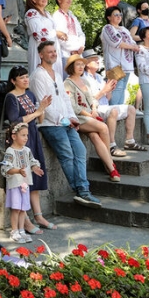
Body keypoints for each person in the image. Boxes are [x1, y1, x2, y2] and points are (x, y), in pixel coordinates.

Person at [30, 41, 102, 208]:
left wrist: (71, 117)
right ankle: (81, 192)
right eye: (49, 52)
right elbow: (44, 105)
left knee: (80, 150)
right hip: (50, 124)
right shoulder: (38, 75)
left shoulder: (56, 73)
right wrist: (64, 119)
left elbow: (64, 99)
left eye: (55, 51)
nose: (53, 54)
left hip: (65, 121)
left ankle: (84, 188)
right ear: (41, 55)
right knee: (67, 154)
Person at [2, 66, 54, 232]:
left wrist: (42, 109)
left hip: (32, 136)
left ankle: (38, 216)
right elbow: (15, 121)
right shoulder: (11, 97)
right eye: (21, 77)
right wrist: (38, 110)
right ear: (13, 80)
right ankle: (25, 222)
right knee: (22, 181)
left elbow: (39, 119)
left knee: (35, 177)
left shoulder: (30, 94)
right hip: (20, 142)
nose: (26, 79)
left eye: (26, 76)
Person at [63, 55, 122, 182]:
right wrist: (90, 114)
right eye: (77, 64)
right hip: (79, 117)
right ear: (71, 67)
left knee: (95, 136)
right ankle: (111, 165)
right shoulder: (67, 83)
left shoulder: (84, 81)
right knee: (103, 127)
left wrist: (94, 109)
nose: (81, 67)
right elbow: (72, 106)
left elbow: (92, 99)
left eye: (82, 64)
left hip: (90, 116)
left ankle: (110, 168)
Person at [82, 49, 140, 151]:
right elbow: (89, 100)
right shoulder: (84, 79)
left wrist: (110, 89)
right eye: (94, 60)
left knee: (131, 109)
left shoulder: (99, 77)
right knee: (113, 111)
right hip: (94, 109)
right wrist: (104, 90)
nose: (97, 61)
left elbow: (108, 98)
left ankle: (129, 141)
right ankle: (111, 144)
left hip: (105, 106)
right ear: (87, 63)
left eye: (97, 60)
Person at [2, 123, 44, 244]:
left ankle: (21, 230)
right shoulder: (10, 151)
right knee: (16, 209)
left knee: (22, 209)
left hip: (25, 184)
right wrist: (18, 171)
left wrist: (35, 167)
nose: (26, 138)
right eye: (23, 135)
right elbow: (5, 168)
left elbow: (32, 161)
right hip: (15, 184)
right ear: (14, 136)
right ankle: (14, 231)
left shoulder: (27, 150)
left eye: (27, 135)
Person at [101, 6, 140, 105]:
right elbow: (117, 43)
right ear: (109, 17)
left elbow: (132, 42)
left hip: (126, 66)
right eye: (116, 14)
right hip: (114, 65)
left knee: (122, 90)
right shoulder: (108, 28)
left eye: (120, 15)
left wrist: (136, 47)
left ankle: (119, 116)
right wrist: (132, 47)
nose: (119, 17)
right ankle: (112, 113)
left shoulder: (124, 29)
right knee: (115, 90)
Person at [24, 0, 59, 73]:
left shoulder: (47, 14)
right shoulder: (31, 13)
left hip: (53, 47)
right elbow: (38, 34)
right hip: (39, 47)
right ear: (33, 0)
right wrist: (56, 33)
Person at [52, 0, 86, 68]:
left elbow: (80, 33)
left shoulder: (72, 15)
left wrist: (81, 46)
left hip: (78, 53)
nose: (69, 0)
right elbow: (61, 37)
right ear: (59, 0)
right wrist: (75, 49)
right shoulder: (57, 16)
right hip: (66, 53)